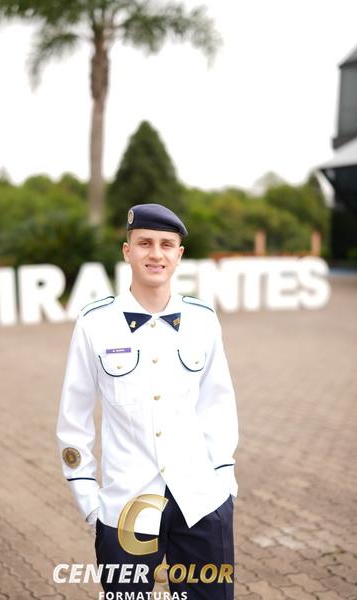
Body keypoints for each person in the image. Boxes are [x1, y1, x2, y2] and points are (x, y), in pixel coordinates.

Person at [56, 203, 239, 599]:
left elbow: (218, 406)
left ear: (179, 254)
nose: (156, 254)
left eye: (166, 245)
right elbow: (74, 417)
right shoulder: (94, 323)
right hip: (126, 506)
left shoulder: (203, 319)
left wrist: (224, 484)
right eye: (145, 243)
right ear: (127, 251)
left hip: (201, 502)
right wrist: (90, 501)